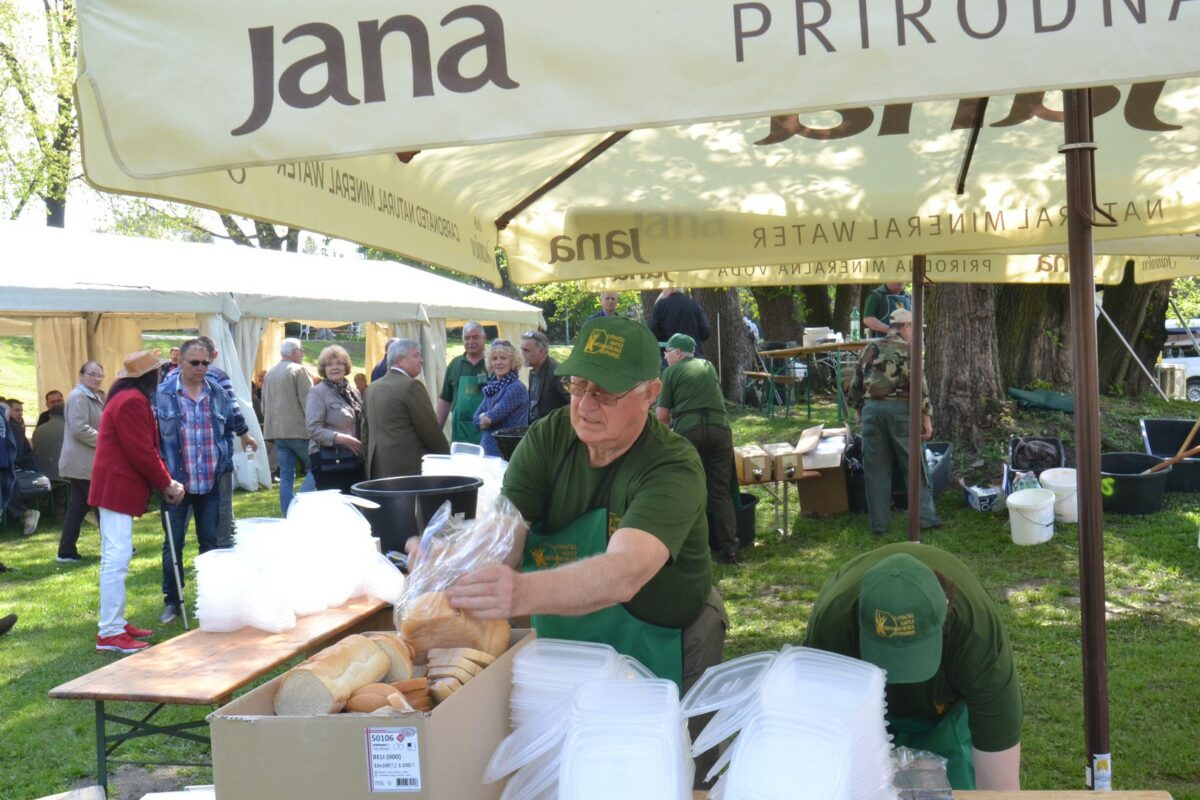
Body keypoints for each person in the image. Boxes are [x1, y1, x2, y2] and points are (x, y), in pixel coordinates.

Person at [446, 316, 725, 690]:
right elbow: (503, 534)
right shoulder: (548, 437)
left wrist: (521, 593)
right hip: (568, 643)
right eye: (578, 385)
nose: (586, 406)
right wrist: (455, 564)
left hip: (665, 640)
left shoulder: (673, 464)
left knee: (670, 728)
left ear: (651, 393)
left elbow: (624, 572)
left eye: (606, 392)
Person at [803, 542, 1023, 790]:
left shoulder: (977, 637)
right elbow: (819, 754)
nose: (900, 680)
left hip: (945, 705)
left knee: (958, 783)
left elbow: (999, 788)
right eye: (887, 657)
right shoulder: (833, 627)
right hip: (856, 704)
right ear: (859, 622)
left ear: (946, 612)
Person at [89, 351, 185, 654]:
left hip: (115, 486)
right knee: (116, 559)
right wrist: (167, 483)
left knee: (115, 557)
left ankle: (115, 623)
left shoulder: (127, 396)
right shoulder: (132, 401)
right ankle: (110, 632)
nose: (161, 375)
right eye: (158, 371)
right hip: (117, 487)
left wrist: (163, 481)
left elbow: (142, 450)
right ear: (150, 376)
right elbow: (142, 451)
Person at [155, 338, 237, 624]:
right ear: (180, 361)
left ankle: (210, 598)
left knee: (210, 542)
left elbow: (227, 431)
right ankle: (173, 600)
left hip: (210, 481)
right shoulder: (163, 394)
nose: (201, 368)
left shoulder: (217, 393)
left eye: (206, 363)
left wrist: (223, 462)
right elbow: (154, 441)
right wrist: (163, 478)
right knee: (173, 543)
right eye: (195, 363)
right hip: (176, 484)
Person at [848, 308, 940, 534]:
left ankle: (878, 525)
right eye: (917, 330)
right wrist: (926, 419)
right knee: (914, 466)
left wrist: (859, 411)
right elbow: (921, 387)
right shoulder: (910, 350)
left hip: (872, 411)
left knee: (875, 470)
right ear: (907, 327)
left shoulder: (868, 349)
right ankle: (925, 519)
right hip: (902, 411)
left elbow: (855, 384)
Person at [655, 333, 739, 564]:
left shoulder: (671, 373)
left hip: (689, 432)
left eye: (667, 351)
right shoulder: (708, 366)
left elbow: (661, 416)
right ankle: (730, 549)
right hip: (720, 430)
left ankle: (695, 551)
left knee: (690, 490)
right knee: (720, 492)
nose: (665, 356)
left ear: (678, 353)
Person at [193, 335, 258, 547]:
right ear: (215, 354)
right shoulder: (219, 376)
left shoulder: (174, 375)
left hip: (188, 453)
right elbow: (233, 409)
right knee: (221, 503)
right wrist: (244, 434)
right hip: (218, 448)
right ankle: (224, 545)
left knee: (185, 508)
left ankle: (180, 551)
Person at [362, 338, 449, 480]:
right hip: (406, 470)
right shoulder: (411, 386)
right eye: (416, 355)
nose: (421, 360)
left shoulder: (371, 388)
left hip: (377, 468)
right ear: (400, 360)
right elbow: (430, 430)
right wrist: (446, 457)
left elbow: (365, 432)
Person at [57, 361, 106, 563]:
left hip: (86, 462)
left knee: (78, 508)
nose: (96, 378)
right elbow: (79, 429)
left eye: (99, 375)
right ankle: (114, 545)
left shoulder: (93, 396)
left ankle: (66, 551)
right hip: (83, 462)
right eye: (92, 374)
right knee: (103, 505)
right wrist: (106, 441)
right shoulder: (79, 396)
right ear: (81, 375)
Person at [262, 338, 315, 514]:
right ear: (294, 352)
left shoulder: (270, 373)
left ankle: (287, 512)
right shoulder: (299, 370)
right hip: (298, 431)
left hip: (276, 432)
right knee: (317, 466)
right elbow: (309, 403)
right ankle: (300, 505)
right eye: (301, 350)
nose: (302, 354)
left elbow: (263, 406)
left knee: (286, 475)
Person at [306, 345, 365, 493]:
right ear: (323, 369)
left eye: (339, 363)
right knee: (335, 503)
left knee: (356, 501)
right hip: (329, 460)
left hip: (354, 458)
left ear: (346, 367)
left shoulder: (354, 392)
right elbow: (313, 429)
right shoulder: (317, 392)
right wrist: (341, 438)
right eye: (329, 364)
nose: (334, 368)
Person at [473, 340, 530, 458]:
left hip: (507, 453)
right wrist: (484, 419)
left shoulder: (516, 388)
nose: (498, 362)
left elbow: (492, 416)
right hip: (488, 452)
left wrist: (486, 419)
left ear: (513, 362)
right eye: (494, 358)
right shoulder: (492, 388)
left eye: (503, 358)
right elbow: (475, 418)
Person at [437, 321, 488, 444]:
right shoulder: (455, 364)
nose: (471, 341)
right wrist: (437, 430)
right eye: (467, 338)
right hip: (460, 431)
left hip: (487, 428)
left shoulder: (494, 363)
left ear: (484, 338)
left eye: (475, 337)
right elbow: (445, 399)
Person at [2, 398, 41, 535]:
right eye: (17, 410)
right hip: (17, 468)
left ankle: (25, 513)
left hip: (25, 470)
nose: (20, 414)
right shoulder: (11, 426)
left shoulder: (13, 427)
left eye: (21, 410)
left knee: (4, 484)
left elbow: (15, 455)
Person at [520, 330, 568, 424]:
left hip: (552, 429)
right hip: (537, 428)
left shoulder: (557, 372)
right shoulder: (534, 370)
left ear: (541, 351)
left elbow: (573, 404)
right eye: (522, 350)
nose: (522, 354)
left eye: (526, 350)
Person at [649, 287, 711, 357]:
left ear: (670, 288)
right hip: (693, 354)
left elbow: (653, 329)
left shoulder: (660, 305)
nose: (662, 291)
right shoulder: (694, 305)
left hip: (671, 356)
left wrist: (667, 342)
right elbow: (705, 332)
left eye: (663, 289)